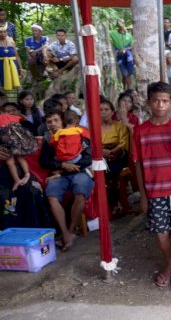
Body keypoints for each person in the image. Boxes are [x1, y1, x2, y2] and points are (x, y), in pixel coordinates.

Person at [132, 82, 171, 290]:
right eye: (156, 100)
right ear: (149, 102)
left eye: (165, 101)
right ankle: (168, 263)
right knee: (161, 232)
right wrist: (144, 196)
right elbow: (138, 165)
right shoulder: (140, 131)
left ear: (170, 103)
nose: (160, 105)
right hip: (154, 191)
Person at [39, 110, 93, 250]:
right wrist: (62, 165)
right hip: (59, 175)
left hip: (80, 171)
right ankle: (65, 233)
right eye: (49, 121)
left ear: (63, 121)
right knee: (51, 195)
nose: (52, 124)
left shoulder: (79, 133)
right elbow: (44, 161)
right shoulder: (48, 139)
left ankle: (70, 230)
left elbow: (89, 156)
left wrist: (68, 167)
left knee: (80, 192)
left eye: (56, 120)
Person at [100, 99, 130, 216]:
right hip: (102, 156)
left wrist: (113, 151)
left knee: (112, 172)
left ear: (112, 112)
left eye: (106, 109)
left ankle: (116, 203)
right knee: (100, 172)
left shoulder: (119, 126)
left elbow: (123, 143)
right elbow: (92, 144)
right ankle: (108, 206)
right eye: (101, 110)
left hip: (118, 155)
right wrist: (103, 152)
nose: (104, 112)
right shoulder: (94, 128)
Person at [0, 108, 38, 190]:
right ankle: (27, 174)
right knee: (21, 158)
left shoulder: (2, 118)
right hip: (16, 139)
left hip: (6, 140)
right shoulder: (10, 117)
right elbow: (21, 120)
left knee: (10, 162)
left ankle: (17, 180)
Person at [110, 19, 134, 89]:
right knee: (125, 74)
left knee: (128, 75)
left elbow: (132, 46)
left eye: (122, 22)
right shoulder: (112, 33)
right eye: (118, 22)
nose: (120, 23)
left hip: (129, 56)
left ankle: (126, 90)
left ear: (124, 23)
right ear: (117, 24)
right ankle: (126, 90)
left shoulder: (129, 35)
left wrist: (125, 49)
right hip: (119, 56)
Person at [0, 26, 22, 100]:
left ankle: (13, 103)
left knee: (14, 85)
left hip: (13, 65)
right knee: (2, 84)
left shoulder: (12, 41)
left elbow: (17, 56)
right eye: (0, 32)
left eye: (4, 32)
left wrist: (20, 69)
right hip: (1, 66)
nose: (2, 34)